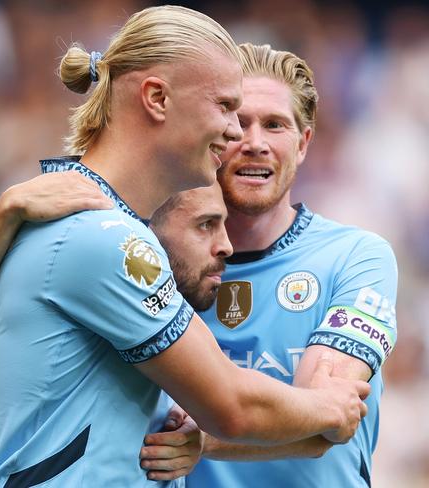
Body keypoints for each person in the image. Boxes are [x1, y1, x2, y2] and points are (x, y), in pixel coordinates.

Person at [0, 7, 370, 488]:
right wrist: (332, 405)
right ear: (156, 99)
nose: (237, 133)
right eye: (224, 107)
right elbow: (232, 406)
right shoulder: (102, 239)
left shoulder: (64, 209)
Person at [140, 43, 399, 487]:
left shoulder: (356, 257)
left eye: (275, 125)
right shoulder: (156, 258)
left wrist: (206, 439)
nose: (255, 143)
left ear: (303, 144)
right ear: (211, 134)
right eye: (239, 123)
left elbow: (325, 415)